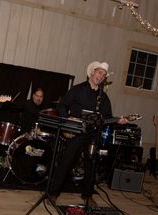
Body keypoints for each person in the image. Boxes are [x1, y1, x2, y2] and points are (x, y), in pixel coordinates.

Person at [45, 61, 127, 206]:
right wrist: (67, 119)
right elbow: (62, 105)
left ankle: (87, 195)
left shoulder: (103, 97)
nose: (101, 76)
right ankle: (53, 192)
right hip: (77, 132)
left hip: (93, 134)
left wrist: (118, 120)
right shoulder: (77, 89)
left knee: (91, 164)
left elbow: (107, 117)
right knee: (66, 161)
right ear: (92, 72)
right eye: (99, 73)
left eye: (103, 75)